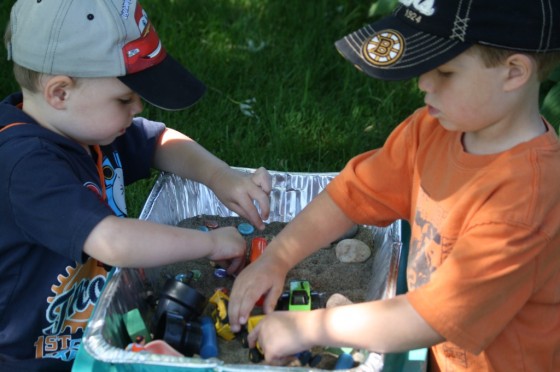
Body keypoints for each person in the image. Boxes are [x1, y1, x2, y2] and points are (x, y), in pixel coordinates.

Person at [228, 0, 560, 370]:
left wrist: (311, 326)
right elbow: (351, 195)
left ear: (514, 72)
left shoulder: (525, 199)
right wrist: (277, 257)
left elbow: (431, 318)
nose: (423, 83)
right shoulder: (431, 130)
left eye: (445, 72)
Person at [0, 0, 271, 370]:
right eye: (124, 98)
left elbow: (160, 142)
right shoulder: (24, 166)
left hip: (85, 324)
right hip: (27, 355)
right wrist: (210, 242)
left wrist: (219, 176)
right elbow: (113, 242)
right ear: (60, 93)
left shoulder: (85, 128)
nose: (139, 108)